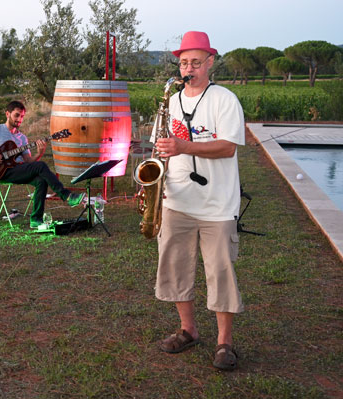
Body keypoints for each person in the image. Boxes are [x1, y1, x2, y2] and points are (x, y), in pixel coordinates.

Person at [152, 31, 246, 371]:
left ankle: (224, 343)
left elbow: (228, 147)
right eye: (183, 62)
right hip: (176, 200)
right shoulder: (171, 101)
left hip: (217, 204)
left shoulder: (224, 99)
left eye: (195, 62)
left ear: (209, 63)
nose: (187, 68)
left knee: (220, 272)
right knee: (176, 267)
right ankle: (188, 330)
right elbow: (162, 145)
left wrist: (185, 147)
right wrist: (154, 179)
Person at [0, 100, 84, 228]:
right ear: (7, 114)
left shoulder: (22, 138)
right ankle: (66, 195)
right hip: (0, 172)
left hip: (18, 170)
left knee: (41, 179)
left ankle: (36, 219)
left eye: (22, 116)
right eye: (17, 115)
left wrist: (39, 153)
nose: (19, 119)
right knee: (41, 166)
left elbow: (28, 161)